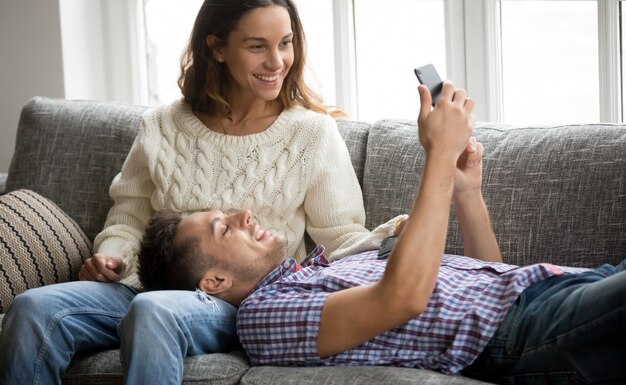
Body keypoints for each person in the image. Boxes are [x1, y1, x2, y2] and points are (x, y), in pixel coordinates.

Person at [0, 0, 397, 385]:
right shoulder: (162, 125)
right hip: (138, 288)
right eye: (257, 45)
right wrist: (113, 257)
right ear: (217, 48)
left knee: (154, 312)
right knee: (31, 308)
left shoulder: (311, 134)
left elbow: (341, 235)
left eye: (286, 43)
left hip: (235, 301)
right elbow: (128, 218)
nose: (277, 61)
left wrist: (395, 239)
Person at [138, 82, 626, 385]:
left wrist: (465, 191)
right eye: (224, 227)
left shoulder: (324, 266)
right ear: (214, 282)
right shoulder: (264, 319)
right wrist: (436, 155)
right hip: (528, 332)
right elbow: (403, 299)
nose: (244, 214)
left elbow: (492, 272)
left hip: (550, 288)